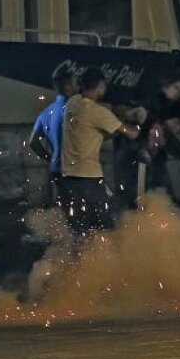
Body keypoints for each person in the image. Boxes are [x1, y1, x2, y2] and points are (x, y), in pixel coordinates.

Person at [60, 68, 140, 236]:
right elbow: (131, 133)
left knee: (80, 230)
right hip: (89, 179)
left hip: (68, 177)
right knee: (105, 226)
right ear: (100, 85)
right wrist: (139, 122)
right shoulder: (98, 113)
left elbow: (88, 130)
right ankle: (106, 260)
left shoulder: (72, 103)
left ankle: (82, 261)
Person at [112, 69, 180, 209]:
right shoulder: (153, 101)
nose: (179, 93)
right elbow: (142, 121)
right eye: (177, 88)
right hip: (140, 154)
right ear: (169, 86)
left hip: (153, 155)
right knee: (140, 192)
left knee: (158, 191)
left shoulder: (166, 104)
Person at [29, 69, 79, 207]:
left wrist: (50, 158)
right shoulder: (74, 110)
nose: (78, 87)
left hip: (56, 168)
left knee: (67, 209)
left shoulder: (45, 112)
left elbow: (32, 142)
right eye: (75, 83)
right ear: (68, 86)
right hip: (77, 169)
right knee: (85, 212)